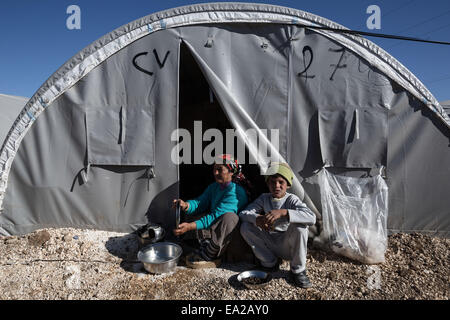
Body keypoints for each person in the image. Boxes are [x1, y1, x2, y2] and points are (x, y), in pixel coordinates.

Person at [239, 162, 316, 288]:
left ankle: (298, 271)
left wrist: (284, 212)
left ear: (288, 185)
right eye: (272, 182)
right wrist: (257, 218)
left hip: (287, 246)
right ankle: (269, 263)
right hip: (270, 242)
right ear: (267, 183)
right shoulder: (264, 198)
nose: (276, 186)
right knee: (246, 226)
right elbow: (243, 214)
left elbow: (311, 217)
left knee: (300, 227)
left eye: (281, 182)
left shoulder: (291, 199)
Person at [173, 154, 248, 268]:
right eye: (214, 169)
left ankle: (208, 255)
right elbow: (200, 202)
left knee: (230, 217)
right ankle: (207, 246)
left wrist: (189, 227)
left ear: (231, 172)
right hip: (218, 230)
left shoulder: (237, 193)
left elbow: (216, 216)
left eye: (219, 169)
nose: (215, 173)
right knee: (194, 216)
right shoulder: (214, 187)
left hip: (232, 239)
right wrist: (186, 205)